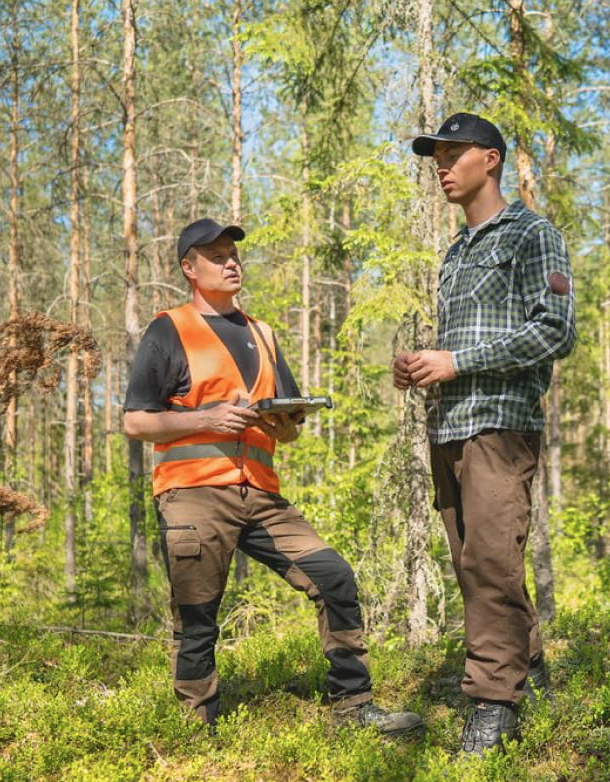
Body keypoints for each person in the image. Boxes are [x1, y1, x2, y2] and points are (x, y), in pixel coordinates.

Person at [124, 217, 422, 735]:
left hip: (262, 497)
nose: (231, 261)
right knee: (197, 619)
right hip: (193, 493)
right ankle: (195, 731)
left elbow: (285, 435)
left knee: (333, 578)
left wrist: (285, 422)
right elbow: (135, 421)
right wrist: (207, 418)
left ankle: (353, 709)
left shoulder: (262, 333)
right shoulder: (168, 329)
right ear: (189, 268)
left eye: (233, 253)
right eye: (216, 255)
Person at [393, 113, 576, 756]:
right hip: (449, 425)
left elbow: (556, 331)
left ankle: (493, 706)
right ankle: (527, 674)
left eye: (452, 154)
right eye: (434, 157)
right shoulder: (455, 252)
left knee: (492, 562)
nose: (440, 167)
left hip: (501, 426)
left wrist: (457, 362)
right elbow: (461, 346)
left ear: (491, 159)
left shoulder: (534, 236)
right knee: (478, 568)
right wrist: (424, 365)